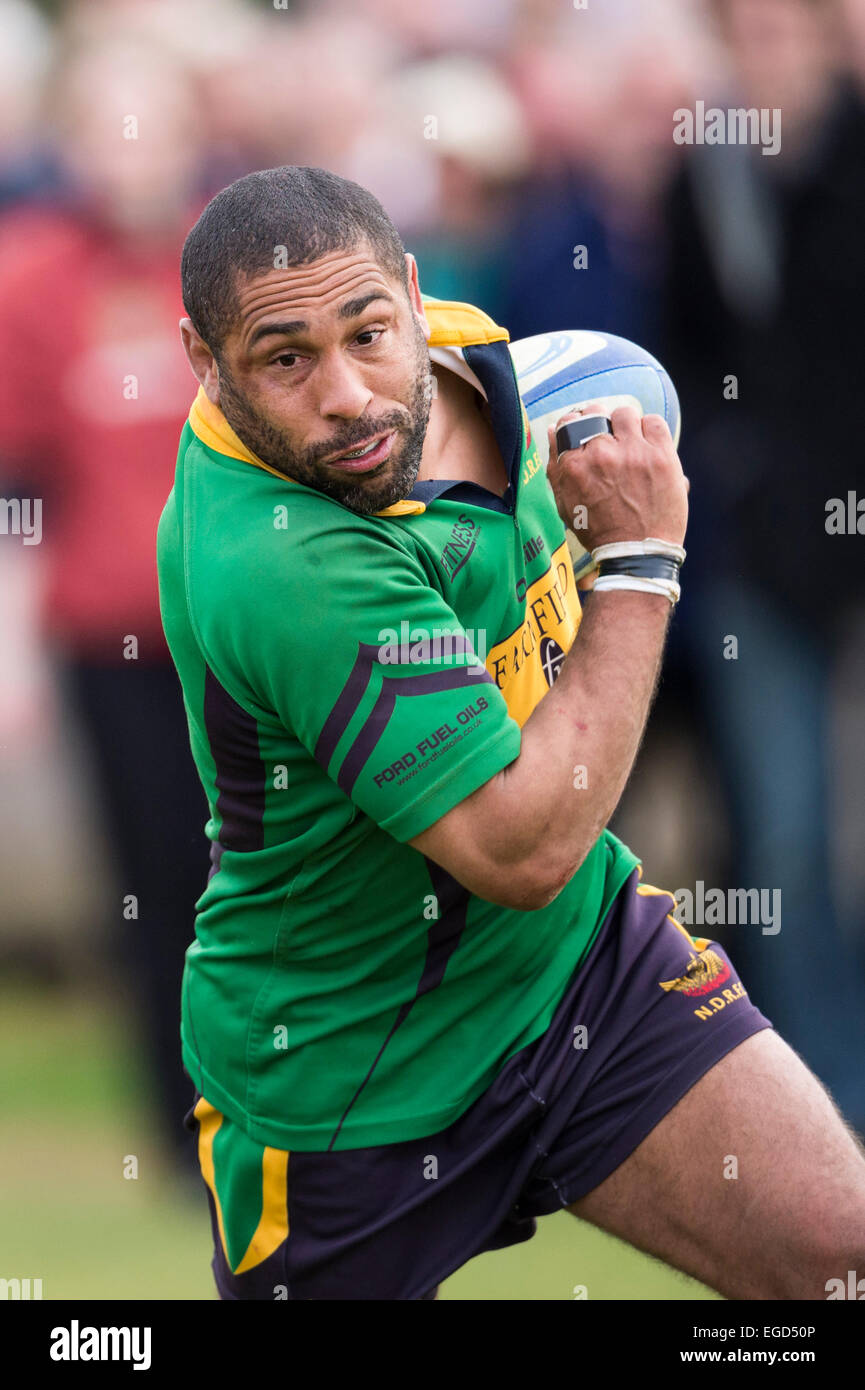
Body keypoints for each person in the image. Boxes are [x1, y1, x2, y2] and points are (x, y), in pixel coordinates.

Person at [157, 165, 865, 1301]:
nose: (345, 394)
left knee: (841, 1257)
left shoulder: (484, 355)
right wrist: (636, 565)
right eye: (284, 360)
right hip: (348, 1071)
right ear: (204, 360)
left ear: (414, 293)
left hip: (576, 969)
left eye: (369, 332)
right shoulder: (278, 562)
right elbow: (521, 849)